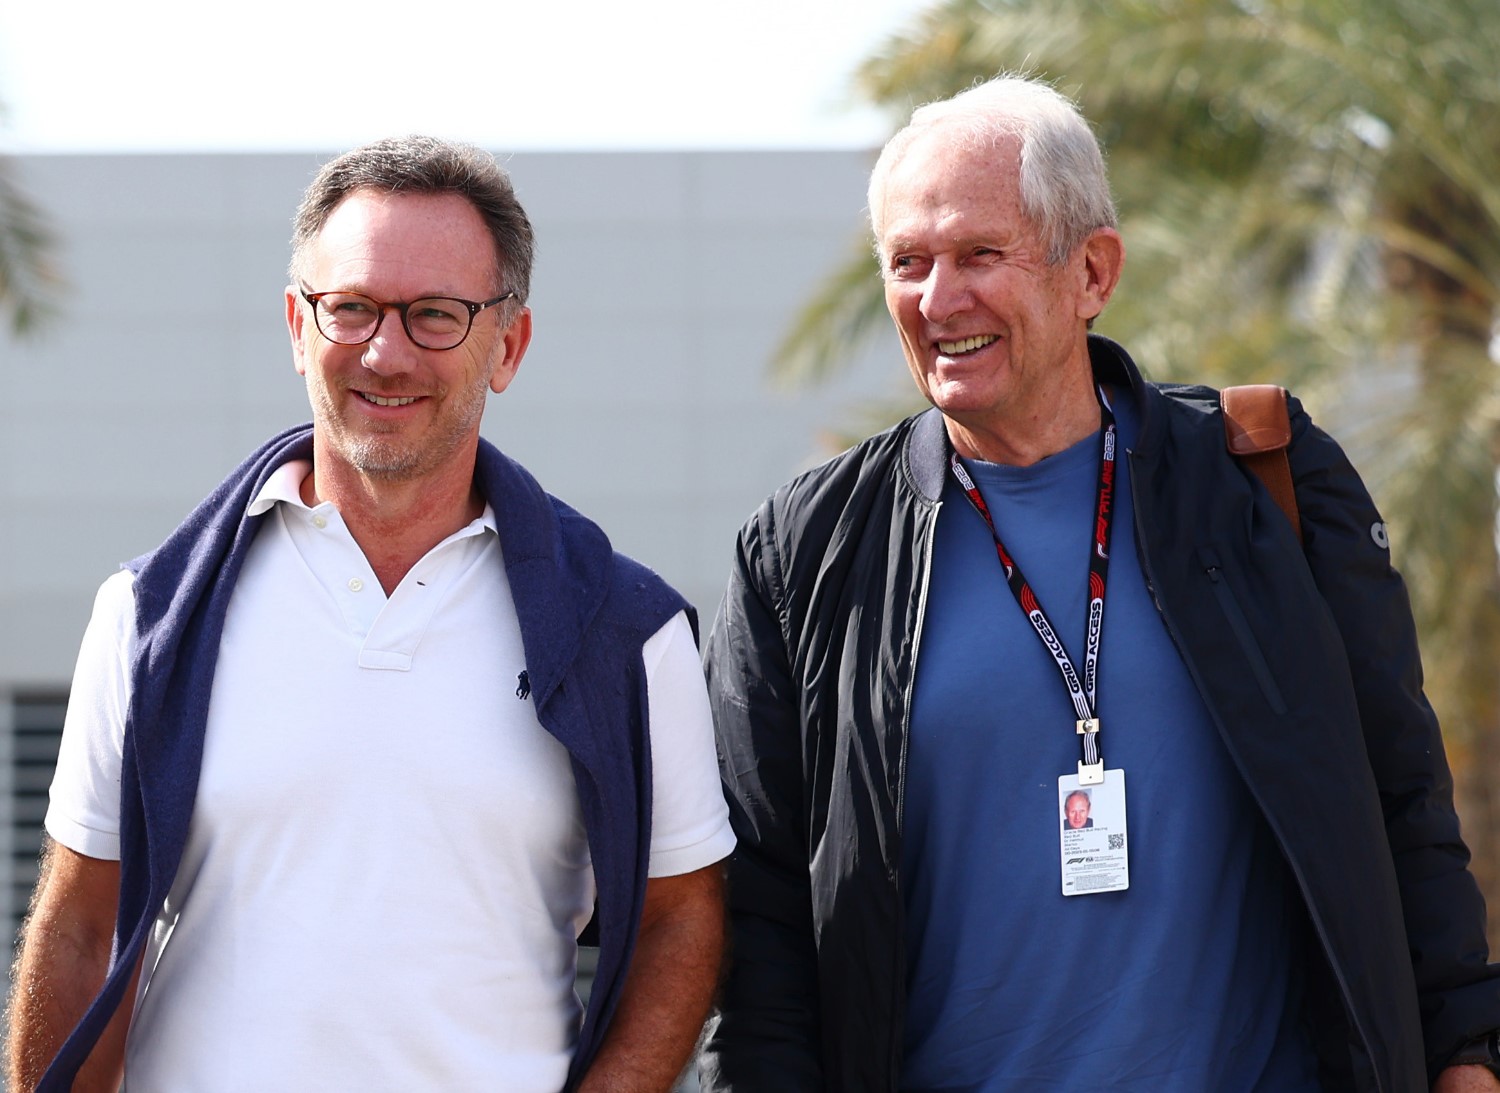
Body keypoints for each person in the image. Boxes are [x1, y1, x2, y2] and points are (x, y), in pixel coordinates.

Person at [699, 75, 1500, 1092]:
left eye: (980, 254)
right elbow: (759, 915)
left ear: (1092, 271)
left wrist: (1466, 1055)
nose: (940, 301)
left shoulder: (1264, 482)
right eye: (909, 263)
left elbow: (1401, 796)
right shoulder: (803, 555)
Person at [6, 136, 735, 1093]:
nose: (386, 353)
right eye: (350, 308)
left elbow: (685, 917)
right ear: (298, 327)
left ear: (507, 345)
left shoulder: (626, 629)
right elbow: (78, 926)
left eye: (436, 315)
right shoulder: (152, 612)